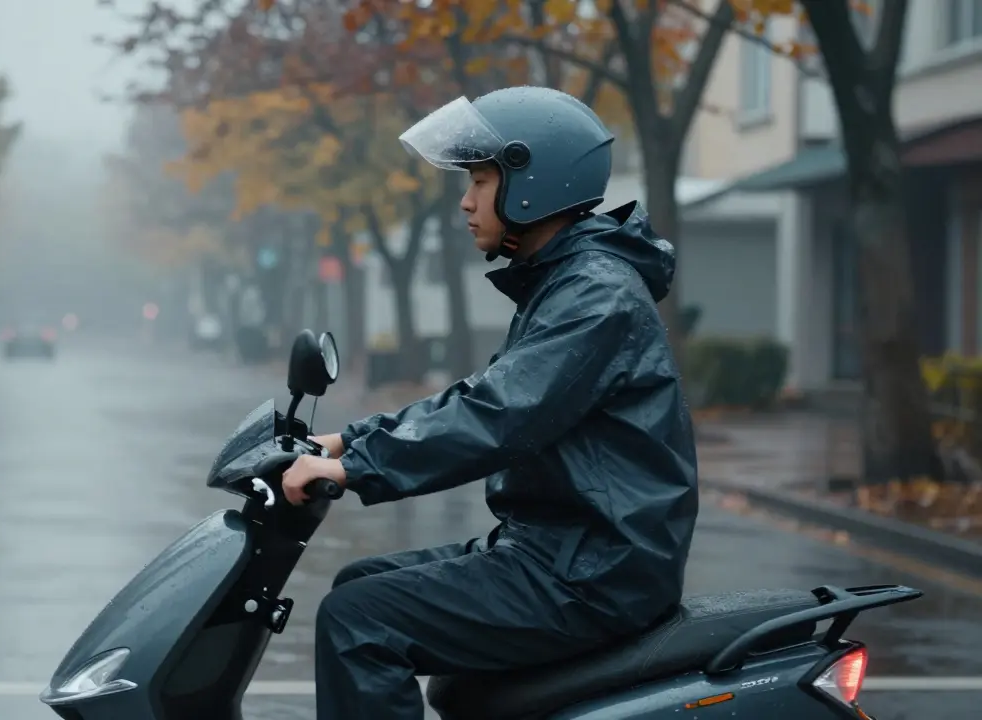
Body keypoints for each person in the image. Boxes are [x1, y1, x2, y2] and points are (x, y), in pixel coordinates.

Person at [280, 86, 699, 720]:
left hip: (594, 572)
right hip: (569, 551)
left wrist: (354, 469)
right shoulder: (567, 282)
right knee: (359, 585)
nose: (467, 200)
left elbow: (500, 415)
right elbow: (480, 395)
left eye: (480, 181)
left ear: (534, 184)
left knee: (359, 621)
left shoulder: (595, 294)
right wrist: (349, 441)